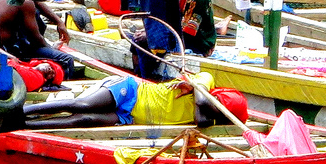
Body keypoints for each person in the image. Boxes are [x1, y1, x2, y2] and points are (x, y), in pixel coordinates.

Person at [23, 71, 246, 129]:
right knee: (83, 105)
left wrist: (207, 106)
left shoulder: (208, 115)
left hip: (130, 118)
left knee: (84, 119)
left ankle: (24, 125)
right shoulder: (205, 80)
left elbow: (202, 117)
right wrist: (204, 100)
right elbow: (201, 104)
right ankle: (21, 111)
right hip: (131, 91)